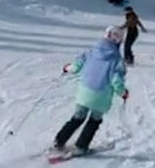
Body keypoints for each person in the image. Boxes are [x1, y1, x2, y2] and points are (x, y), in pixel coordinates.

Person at [53, 26, 130, 154]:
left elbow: (76, 67)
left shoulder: (90, 53)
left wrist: (67, 68)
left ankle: (59, 141)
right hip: (101, 97)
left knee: (77, 117)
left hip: (85, 93)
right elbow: (116, 81)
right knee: (94, 121)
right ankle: (81, 146)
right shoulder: (117, 61)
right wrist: (123, 93)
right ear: (119, 41)